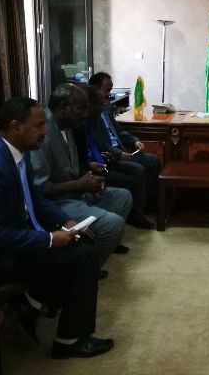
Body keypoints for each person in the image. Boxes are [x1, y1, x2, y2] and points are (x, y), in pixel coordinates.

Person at [0, 96, 114, 359]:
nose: (45, 131)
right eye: (38, 125)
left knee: (82, 239)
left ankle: (30, 305)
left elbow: (33, 198)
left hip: (9, 237)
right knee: (83, 257)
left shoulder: (16, 153)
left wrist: (66, 222)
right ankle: (69, 341)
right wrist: (50, 239)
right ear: (16, 126)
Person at [30, 83, 132, 271]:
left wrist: (90, 179)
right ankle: (83, 271)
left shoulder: (68, 126)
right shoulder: (43, 133)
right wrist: (80, 184)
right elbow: (40, 190)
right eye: (80, 108)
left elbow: (70, 168)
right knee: (113, 225)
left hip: (76, 194)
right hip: (56, 203)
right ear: (63, 108)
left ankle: (89, 255)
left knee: (123, 197)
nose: (85, 114)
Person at [77, 85, 152, 229]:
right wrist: (94, 162)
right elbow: (91, 148)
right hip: (94, 167)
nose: (103, 106)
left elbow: (110, 135)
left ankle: (139, 210)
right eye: (99, 105)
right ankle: (129, 216)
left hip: (105, 158)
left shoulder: (99, 113)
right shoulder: (81, 124)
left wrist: (132, 140)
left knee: (142, 167)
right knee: (131, 178)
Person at [88, 72, 161, 216]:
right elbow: (97, 143)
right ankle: (137, 212)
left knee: (153, 161)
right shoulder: (91, 112)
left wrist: (134, 140)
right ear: (95, 89)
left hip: (122, 150)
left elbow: (118, 130)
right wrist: (118, 153)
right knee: (138, 169)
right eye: (107, 90)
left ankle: (149, 203)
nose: (109, 94)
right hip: (109, 156)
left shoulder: (106, 107)